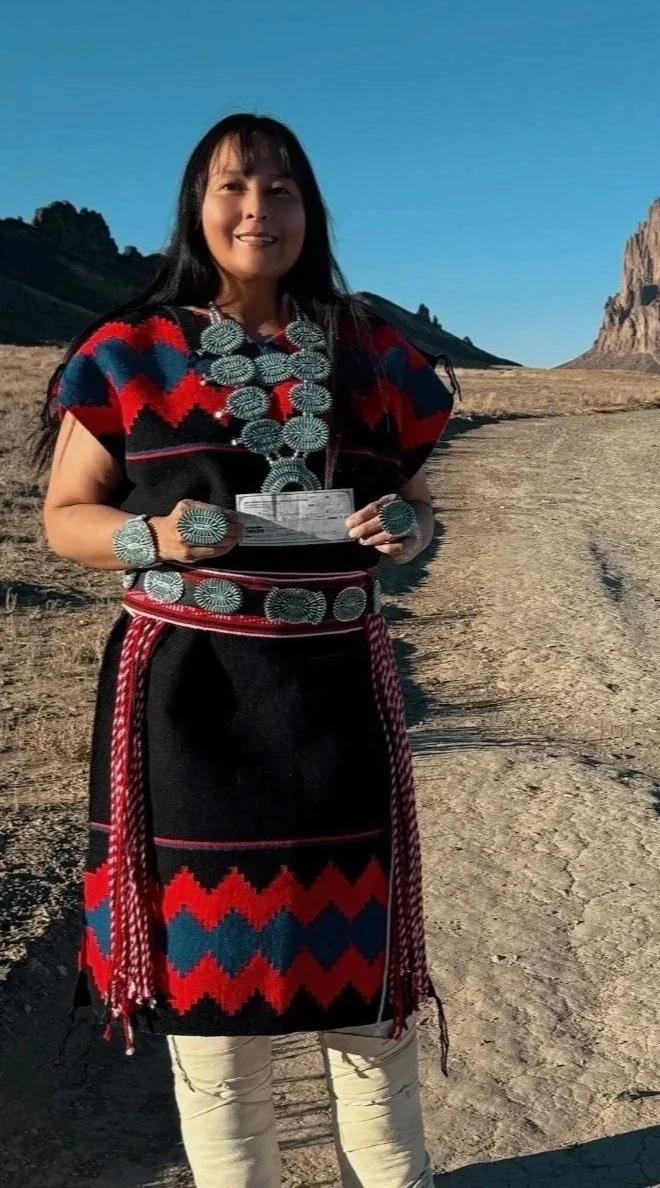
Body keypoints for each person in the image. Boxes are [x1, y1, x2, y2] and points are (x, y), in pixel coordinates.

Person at [38, 112, 455, 1188]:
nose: (256, 210)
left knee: (366, 991)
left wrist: (407, 531)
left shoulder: (366, 349)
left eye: (280, 190)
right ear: (196, 205)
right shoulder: (125, 350)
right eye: (233, 187)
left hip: (336, 702)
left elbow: (412, 505)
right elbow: (65, 516)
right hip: (194, 703)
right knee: (216, 1012)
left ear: (309, 212)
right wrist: (155, 537)